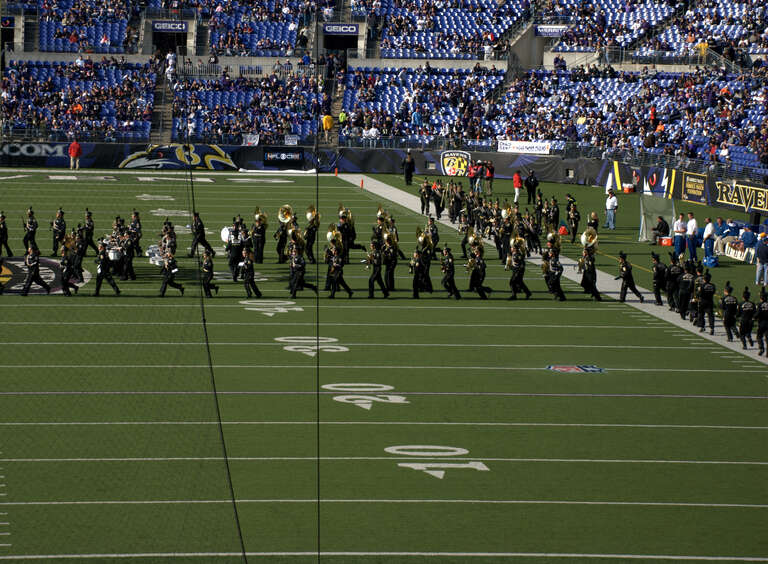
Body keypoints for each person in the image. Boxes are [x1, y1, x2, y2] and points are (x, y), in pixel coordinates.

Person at [757, 288, 768, 356]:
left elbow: (757, 313)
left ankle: (761, 348)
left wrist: (753, 318)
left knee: (759, 336)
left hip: (761, 323)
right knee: (767, 338)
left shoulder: (760, 305)